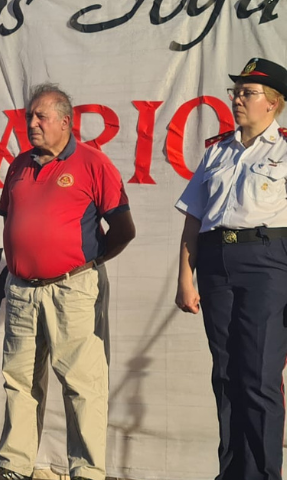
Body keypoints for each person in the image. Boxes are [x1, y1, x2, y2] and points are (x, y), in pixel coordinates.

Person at [0, 83, 135, 480]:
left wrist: (88, 263)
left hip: (73, 288)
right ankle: (14, 467)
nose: (32, 123)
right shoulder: (19, 165)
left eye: (40, 117)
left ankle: (87, 472)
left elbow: (123, 228)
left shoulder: (92, 163)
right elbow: (13, 218)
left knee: (82, 382)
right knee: (20, 379)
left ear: (66, 122)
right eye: (30, 116)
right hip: (22, 290)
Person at [174, 57, 287, 480]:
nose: (237, 99)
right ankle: (233, 472)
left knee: (258, 375)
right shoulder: (217, 151)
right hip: (216, 262)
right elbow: (192, 218)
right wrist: (186, 276)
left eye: (247, 93)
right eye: (236, 92)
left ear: (272, 103)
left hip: (268, 262)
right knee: (225, 373)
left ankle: (263, 474)